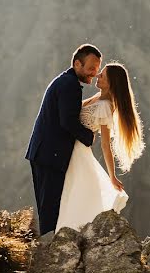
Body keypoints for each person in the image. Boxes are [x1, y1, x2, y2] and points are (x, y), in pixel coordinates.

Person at [54, 61, 143, 233]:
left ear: (111, 84)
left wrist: (112, 176)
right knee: (71, 194)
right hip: (72, 149)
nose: (97, 76)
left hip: (78, 152)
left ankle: (72, 235)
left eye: (102, 75)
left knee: (73, 194)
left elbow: (105, 144)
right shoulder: (98, 97)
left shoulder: (105, 106)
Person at [24, 44, 102, 239]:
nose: (95, 72)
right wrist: (88, 137)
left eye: (98, 67)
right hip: (51, 155)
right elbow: (67, 121)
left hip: (44, 152)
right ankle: (48, 254)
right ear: (77, 64)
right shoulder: (70, 86)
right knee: (51, 208)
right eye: (92, 67)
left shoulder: (65, 81)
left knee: (49, 206)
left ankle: (47, 248)